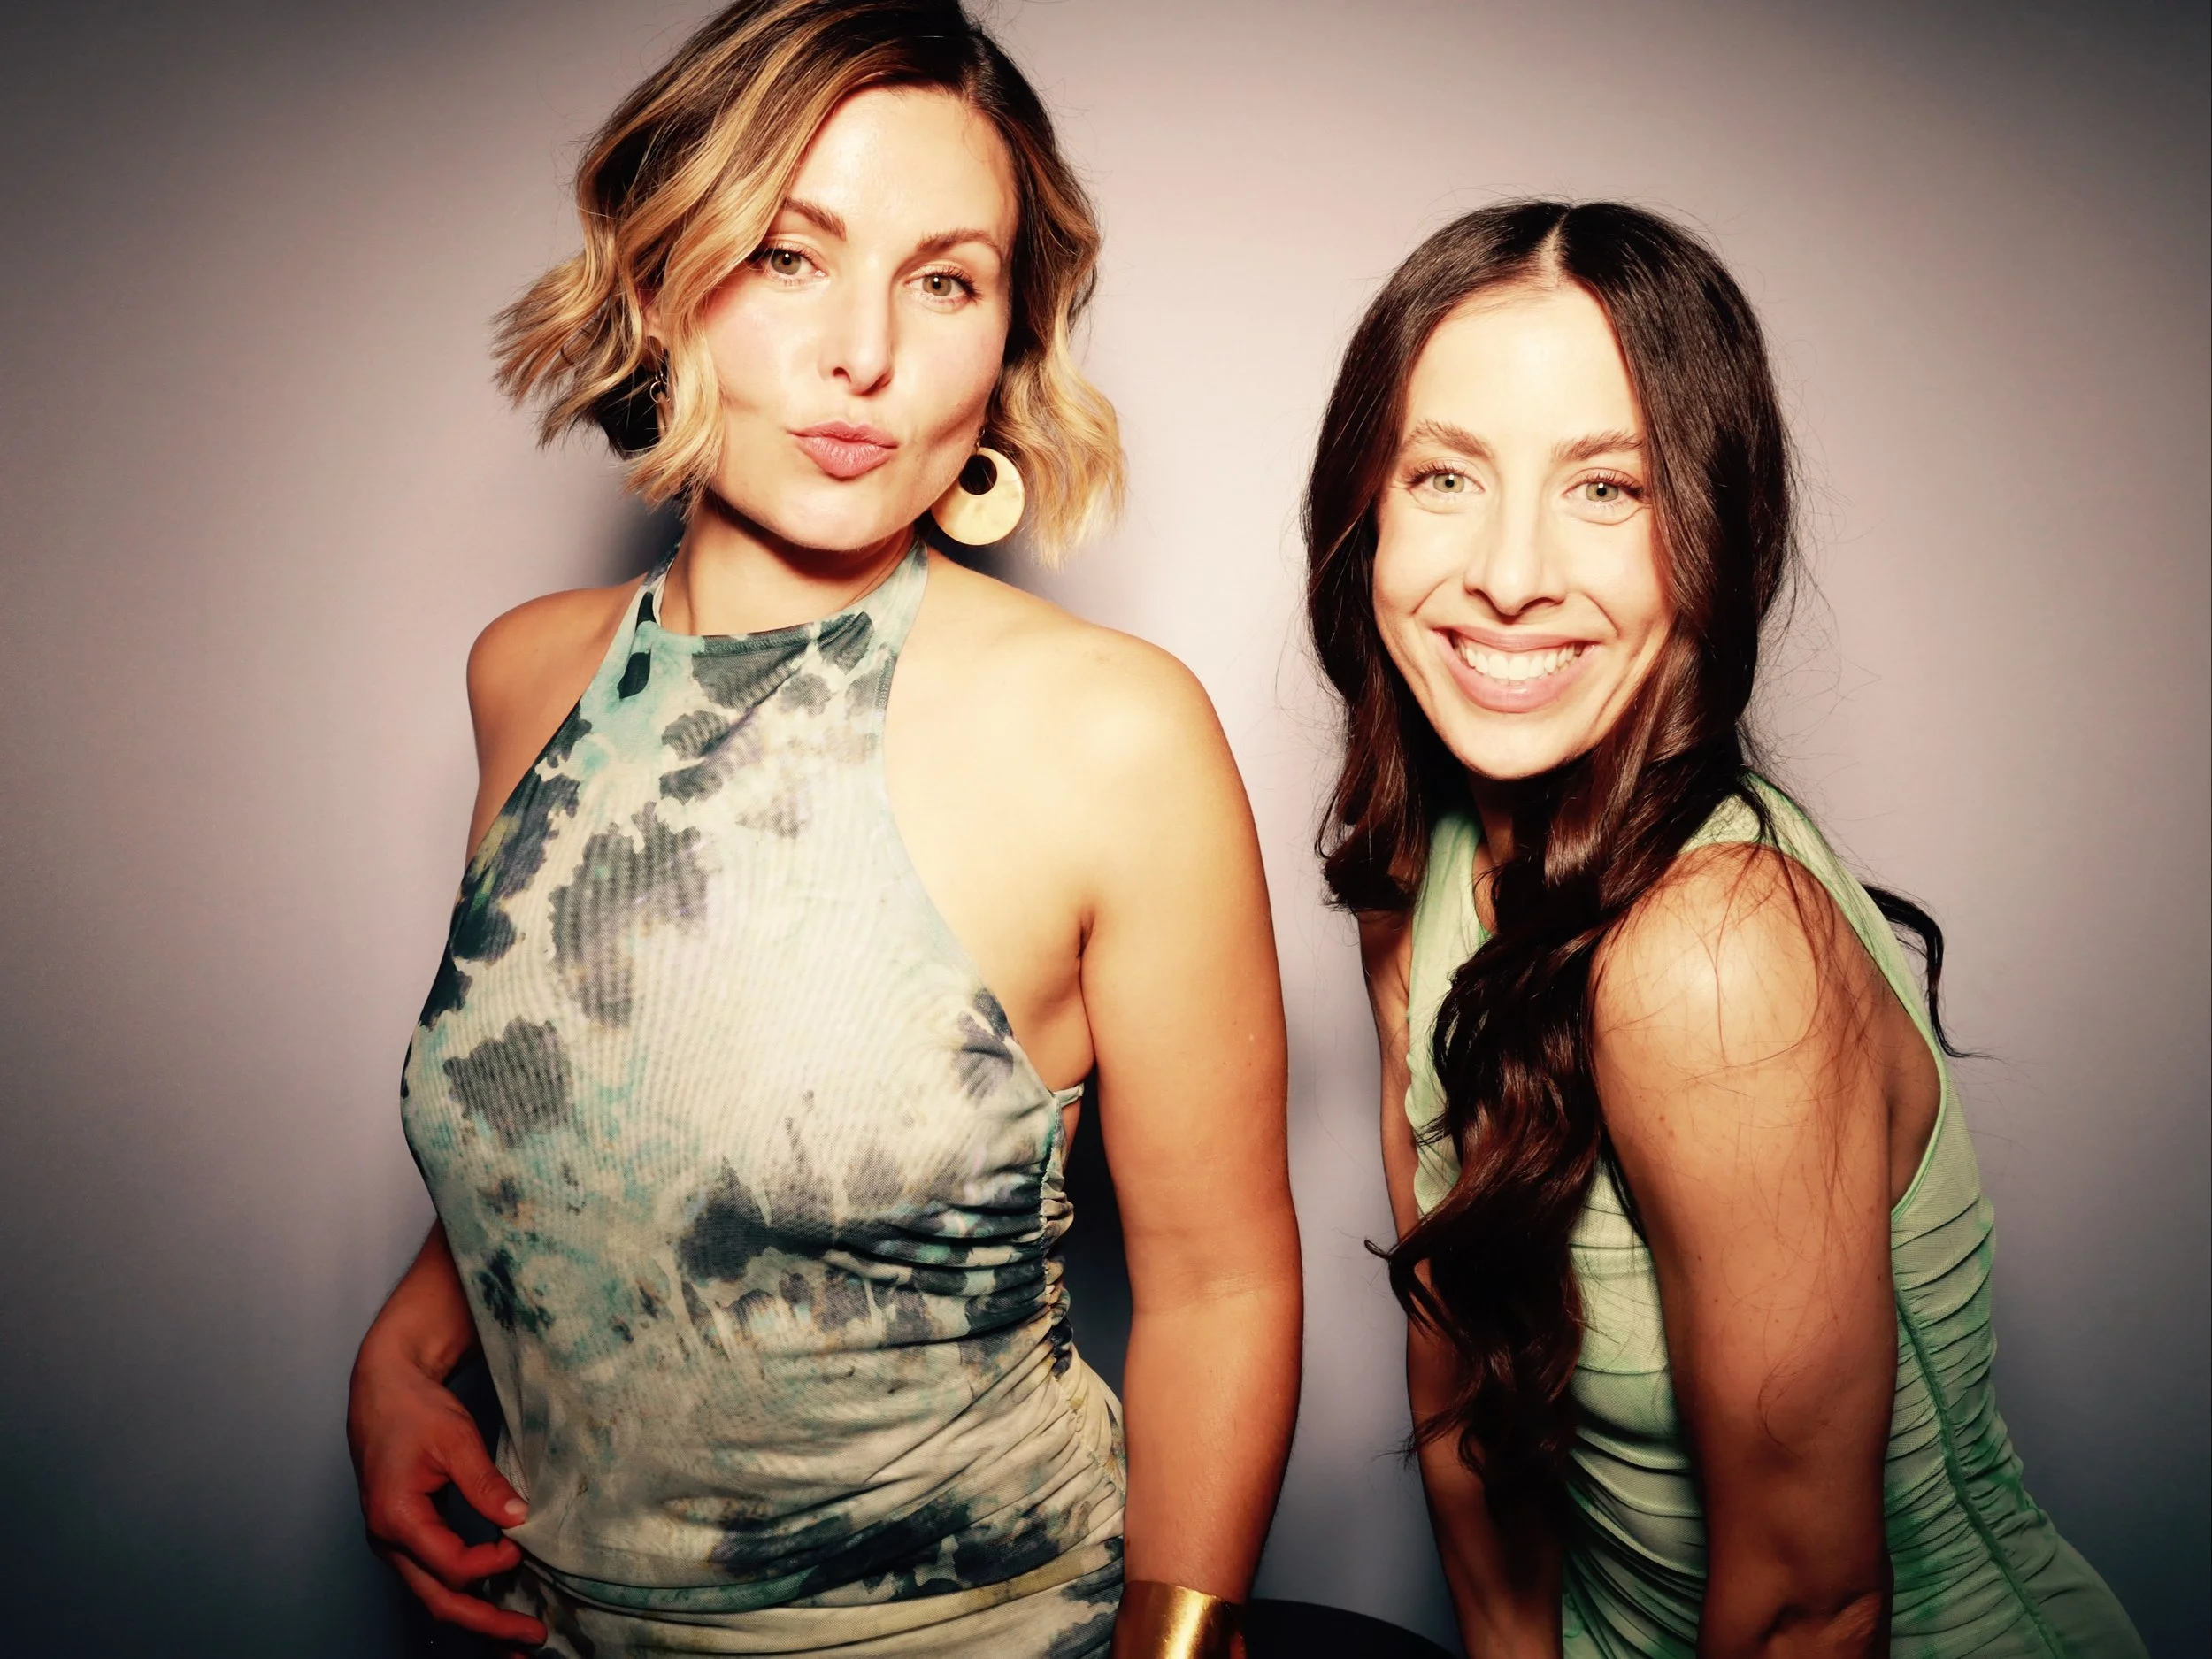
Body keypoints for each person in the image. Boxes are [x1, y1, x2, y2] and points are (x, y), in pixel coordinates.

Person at [348, 4, 1300, 1656]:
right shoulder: (525, 675)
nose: (867, 352)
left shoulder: (1113, 733)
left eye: (946, 281)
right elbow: (604, 1101)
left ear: (1007, 339)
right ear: (663, 278)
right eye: (792, 256)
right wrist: (404, 1351)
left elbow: (1223, 1288)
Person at [1307, 201, 2146, 1657]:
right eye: (1445, 475)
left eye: (1607, 487)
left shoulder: (1712, 957)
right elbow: (1458, 1372)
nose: (1510, 571)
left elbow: (1813, 1608)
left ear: (1714, 531)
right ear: (1365, 513)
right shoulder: (1417, 859)